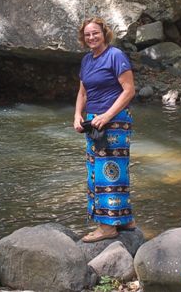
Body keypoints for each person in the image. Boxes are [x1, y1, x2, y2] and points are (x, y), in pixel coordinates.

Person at [73, 17, 136, 242]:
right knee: (98, 170)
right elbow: (83, 92)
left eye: (95, 33)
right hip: (94, 121)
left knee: (108, 171)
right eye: (87, 34)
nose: (91, 37)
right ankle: (124, 219)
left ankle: (107, 228)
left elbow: (128, 91)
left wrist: (107, 116)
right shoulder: (86, 61)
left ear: (104, 33)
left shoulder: (116, 56)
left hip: (115, 120)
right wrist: (78, 116)